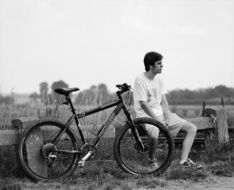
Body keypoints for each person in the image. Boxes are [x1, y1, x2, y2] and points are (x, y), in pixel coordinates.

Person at [133, 51, 202, 169]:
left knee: (192, 128)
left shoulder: (159, 79)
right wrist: (157, 120)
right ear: (150, 65)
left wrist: (168, 117)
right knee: (154, 135)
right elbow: (143, 104)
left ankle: (183, 161)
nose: (162, 65)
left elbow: (164, 101)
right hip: (146, 116)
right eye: (159, 63)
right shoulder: (140, 79)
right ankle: (152, 160)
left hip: (161, 115)